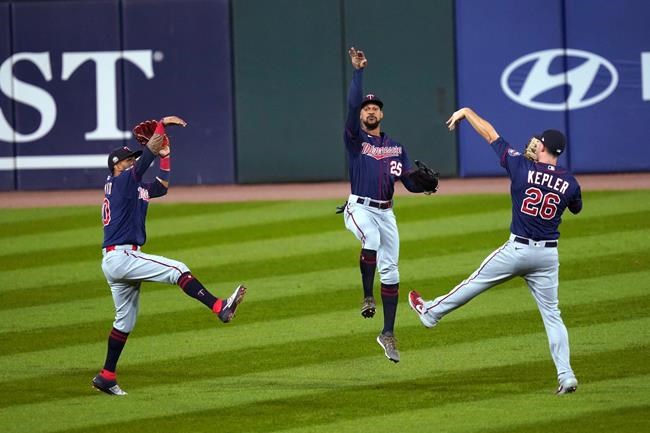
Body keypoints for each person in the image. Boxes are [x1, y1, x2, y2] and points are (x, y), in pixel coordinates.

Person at [408, 107, 582, 394]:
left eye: (538, 142)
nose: (533, 144)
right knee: (553, 316)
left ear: (544, 147)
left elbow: (491, 134)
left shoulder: (520, 166)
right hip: (548, 257)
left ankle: (431, 312)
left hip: (517, 250)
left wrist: (466, 112)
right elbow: (575, 208)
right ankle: (566, 376)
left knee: (475, 282)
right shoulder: (571, 182)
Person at [93, 116, 246, 396]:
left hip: (115, 260)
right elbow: (148, 153)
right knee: (178, 269)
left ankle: (106, 375)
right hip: (123, 257)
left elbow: (161, 186)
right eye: (128, 160)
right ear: (117, 166)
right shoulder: (124, 181)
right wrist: (162, 125)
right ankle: (219, 307)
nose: (132, 161)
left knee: (124, 322)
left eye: (132, 159)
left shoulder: (130, 186)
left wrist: (166, 155)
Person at [342, 47, 436, 363]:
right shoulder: (355, 141)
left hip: (386, 211)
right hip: (359, 207)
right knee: (370, 238)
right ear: (360, 115)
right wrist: (358, 71)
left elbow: (407, 181)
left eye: (375, 108)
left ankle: (388, 333)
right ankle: (368, 296)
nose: (370, 110)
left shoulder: (396, 147)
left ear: (382, 114)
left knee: (392, 271)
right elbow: (353, 101)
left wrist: (424, 185)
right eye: (366, 108)